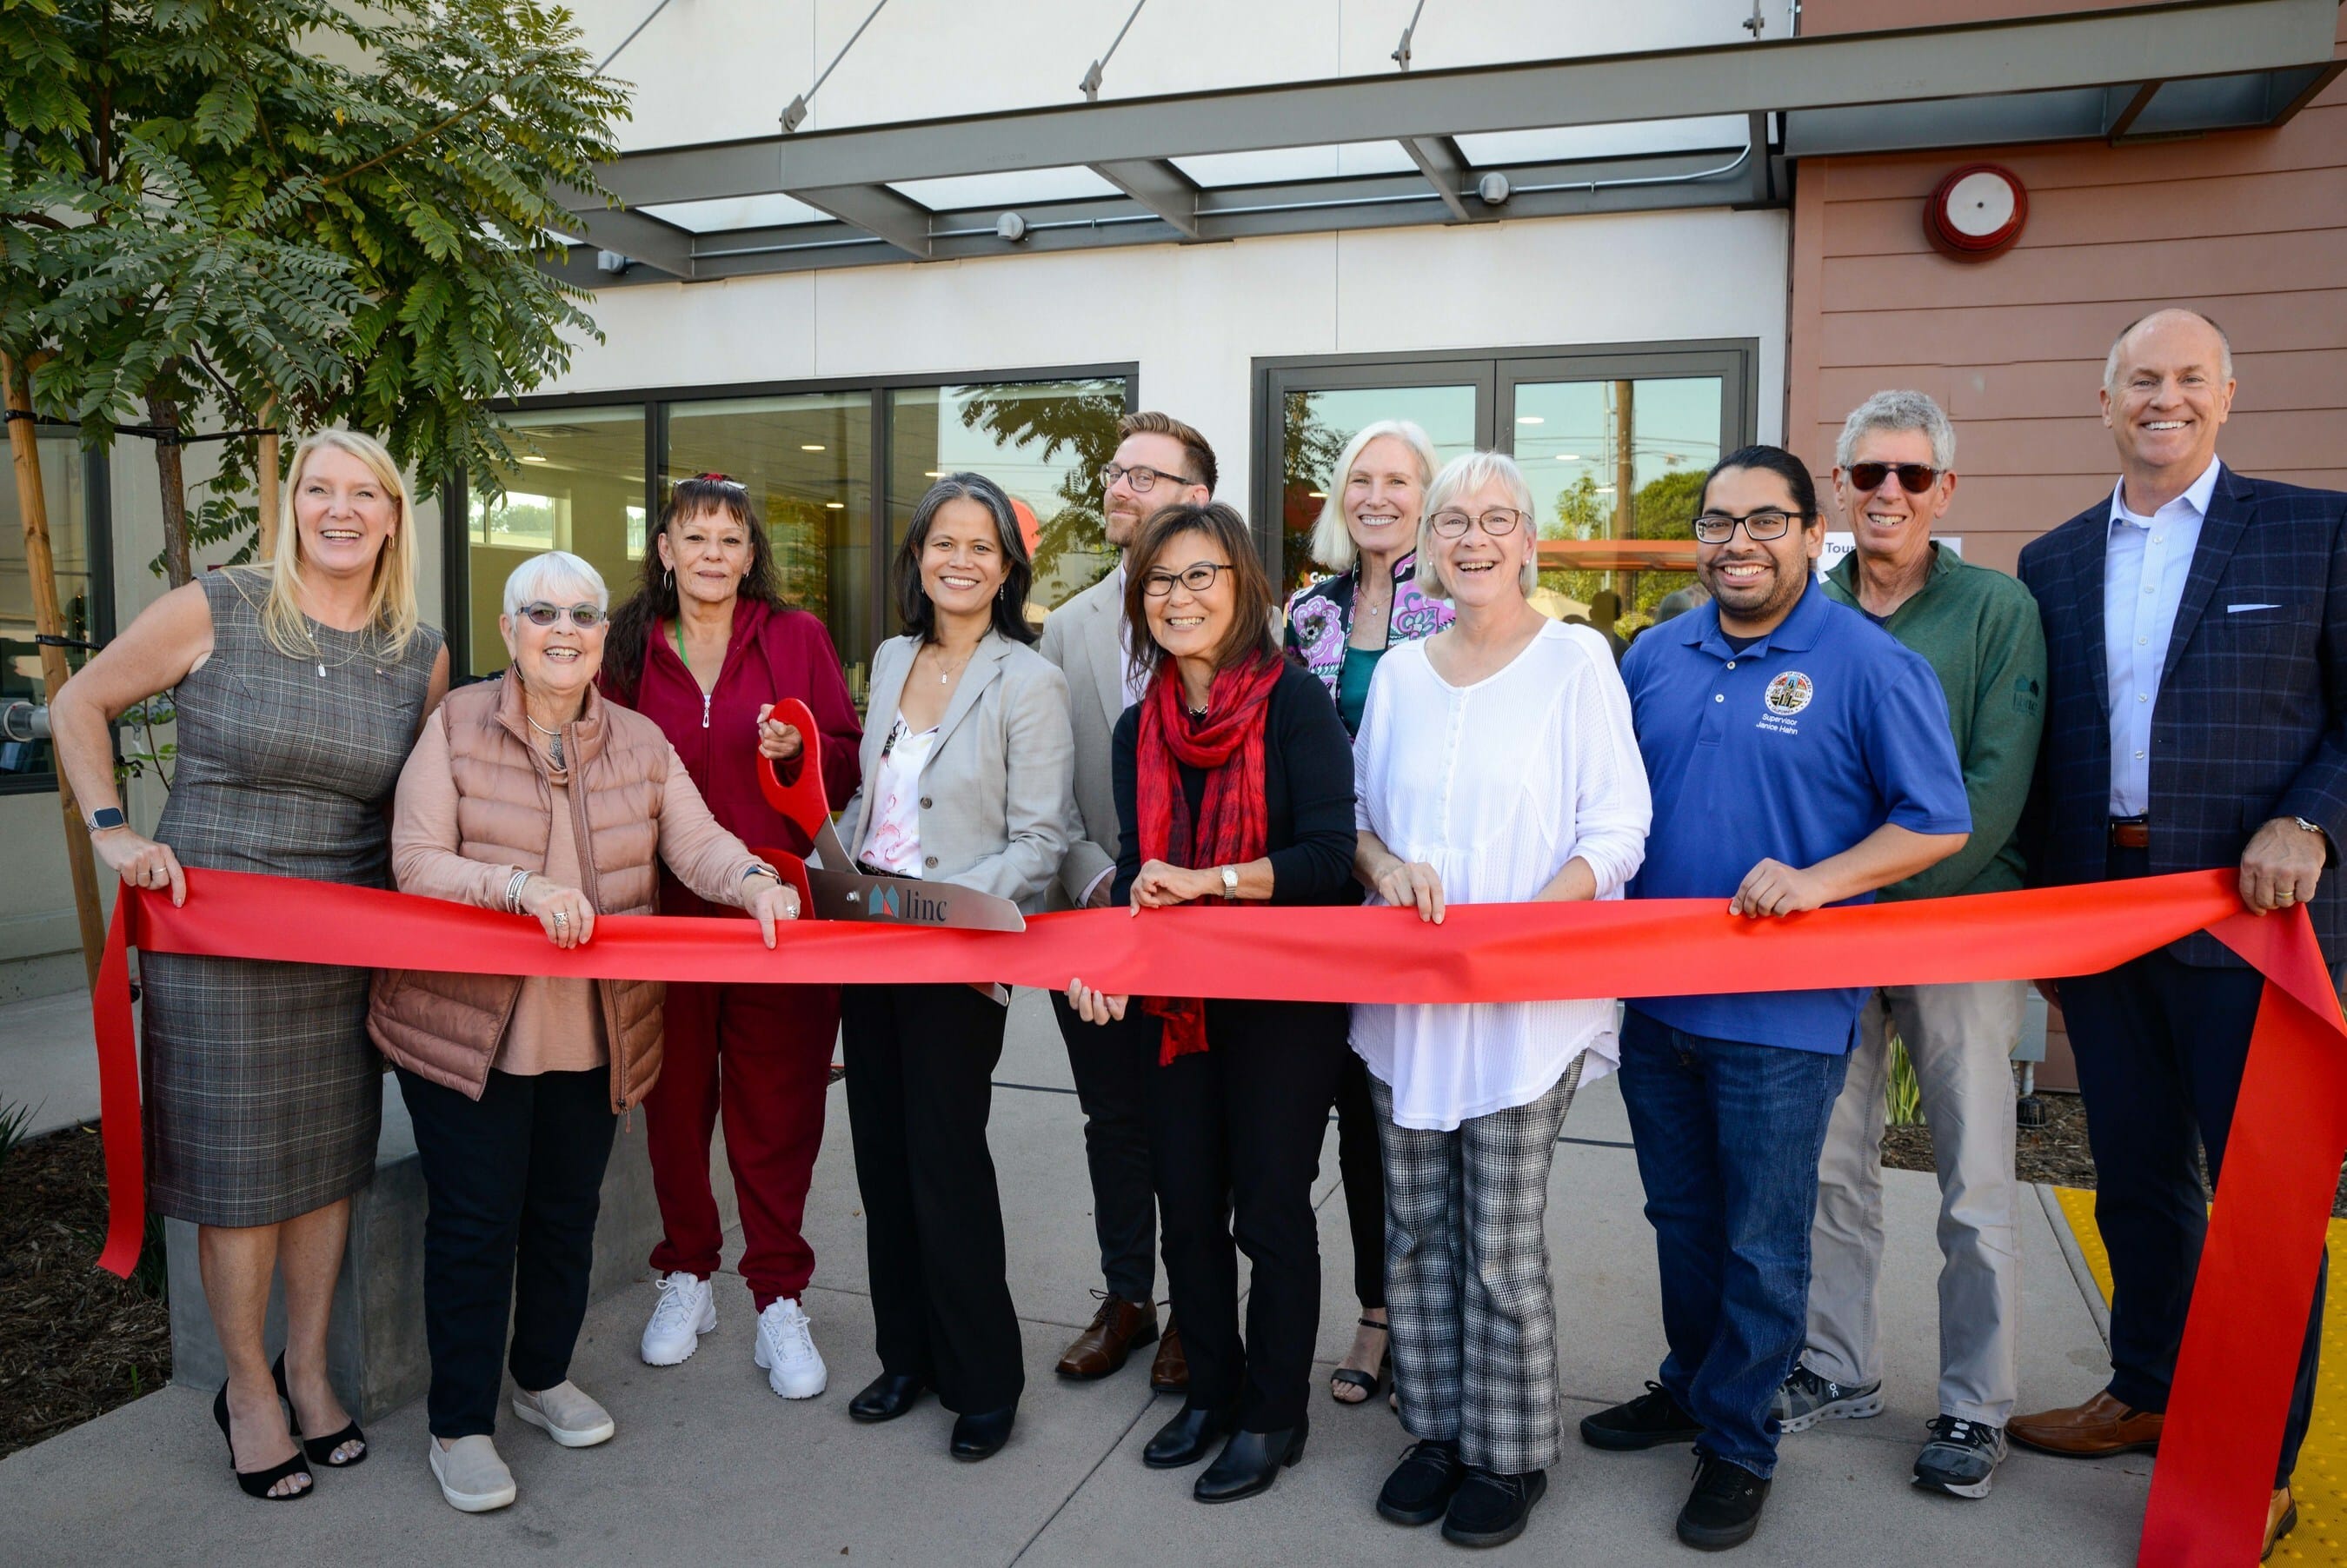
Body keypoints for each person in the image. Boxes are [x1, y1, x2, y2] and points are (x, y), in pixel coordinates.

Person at [1580, 445, 1970, 1551]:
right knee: (1682, 1219)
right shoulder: (1655, 654)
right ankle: (1692, 1382)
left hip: (1782, 1018)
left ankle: (1740, 1440)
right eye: (1716, 523)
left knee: (1762, 1236)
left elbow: (1935, 818)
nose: (1737, 543)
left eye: (1763, 522)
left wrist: (1819, 880)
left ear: (1811, 532)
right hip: (1657, 1007)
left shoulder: (1867, 661)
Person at [50, 429, 448, 1502]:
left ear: (395, 516)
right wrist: (110, 830)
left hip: (341, 943)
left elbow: (420, 810)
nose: (341, 509)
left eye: (366, 492)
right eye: (320, 489)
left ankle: (310, 1373)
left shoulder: (420, 648)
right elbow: (75, 701)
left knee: (326, 1167)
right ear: (292, 506)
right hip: (213, 939)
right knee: (237, 1179)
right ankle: (248, 1388)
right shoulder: (214, 605)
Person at [2011, 308, 2345, 1560]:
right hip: (2111, 915)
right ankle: (2145, 1391)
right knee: (2138, 1180)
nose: (2165, 398)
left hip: (2260, 926)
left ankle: (2250, 1455)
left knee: (2266, 1204)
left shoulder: (2315, 529)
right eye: (2141, 380)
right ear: (2107, 402)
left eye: (2189, 379)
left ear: (2228, 394)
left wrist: (2310, 822)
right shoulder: (2051, 561)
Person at [373, 549, 801, 1514]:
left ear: (605, 636)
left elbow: (697, 843)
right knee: (477, 1227)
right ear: (509, 633)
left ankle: (542, 1377)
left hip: (594, 1029)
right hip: (466, 1031)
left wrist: (755, 882)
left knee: (568, 1215)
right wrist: (517, 890)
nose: (562, 628)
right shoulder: (455, 725)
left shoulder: (643, 742)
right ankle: (460, 1427)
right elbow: (415, 861)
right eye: (541, 612)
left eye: (581, 613)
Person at [1350, 451, 1651, 1547]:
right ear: (1428, 543)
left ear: (1531, 540)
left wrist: (1533, 917)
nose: (1472, 539)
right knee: (1418, 1229)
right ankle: (1431, 1428)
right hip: (1412, 1006)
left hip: (1528, 1007)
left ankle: (1510, 1449)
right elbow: (1357, 817)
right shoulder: (1397, 676)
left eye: (1495, 520)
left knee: (1499, 1242)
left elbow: (1618, 828)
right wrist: (1384, 871)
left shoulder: (1576, 663)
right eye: (1452, 522)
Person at [1780, 391, 2046, 1500]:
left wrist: (1859, 881)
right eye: (1870, 473)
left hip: (1958, 922)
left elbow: (1991, 789)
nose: (1891, 491)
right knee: (1832, 1167)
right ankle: (1838, 1366)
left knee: (1974, 1177)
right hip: (1827, 940)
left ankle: (1976, 1405)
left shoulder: (1997, 609)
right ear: (1839, 485)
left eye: (1914, 475)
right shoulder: (1808, 605)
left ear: (1947, 491)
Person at [1065, 501, 1357, 1505]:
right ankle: (1213, 1390)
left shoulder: (1295, 703)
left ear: (1243, 589)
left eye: (1200, 576)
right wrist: (1115, 935)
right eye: (1160, 581)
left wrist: (1212, 880)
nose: (1178, 596)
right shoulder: (1134, 728)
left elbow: (1329, 861)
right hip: (1179, 1003)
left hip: (1284, 1000)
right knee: (1185, 1205)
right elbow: (1134, 872)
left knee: (1269, 1211)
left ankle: (1275, 1412)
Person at [597, 473, 861, 1399]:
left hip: (778, 913)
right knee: (672, 1107)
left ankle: (779, 1295)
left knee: (778, 1107)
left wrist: (800, 750)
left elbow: (846, 753)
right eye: (693, 537)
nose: (712, 554)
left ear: (753, 557)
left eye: (730, 539)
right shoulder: (623, 646)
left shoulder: (796, 638)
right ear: (663, 550)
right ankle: (688, 1273)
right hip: (659, 915)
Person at [833, 473, 1075, 1464]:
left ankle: (984, 1380)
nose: (960, 560)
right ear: (919, 557)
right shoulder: (891, 657)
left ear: (1008, 566)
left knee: (945, 1164)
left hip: (955, 949)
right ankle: (908, 1356)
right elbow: (872, 800)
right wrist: (834, 865)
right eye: (944, 543)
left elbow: (1042, 838)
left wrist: (944, 912)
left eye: (981, 546)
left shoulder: (1030, 679)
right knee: (881, 1161)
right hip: (866, 937)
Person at [1039, 412, 1213, 1393]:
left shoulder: (1244, 615)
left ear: (1195, 497)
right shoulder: (1064, 629)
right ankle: (1126, 1298)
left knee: (1201, 1123)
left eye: (1145, 475)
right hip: (1098, 923)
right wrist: (1098, 883)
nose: (1120, 488)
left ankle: (1196, 1306)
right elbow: (1048, 792)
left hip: (1210, 931)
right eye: (1115, 472)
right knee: (1114, 1120)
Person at [1281, 416, 1451, 1407]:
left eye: (1398, 479)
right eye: (1361, 479)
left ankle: (1397, 1313)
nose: (1377, 495)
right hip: (1320, 893)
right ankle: (1366, 1302)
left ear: (1427, 496)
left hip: (1415, 897)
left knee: (1397, 1120)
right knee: (1333, 1102)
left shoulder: (1455, 602)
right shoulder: (1310, 612)